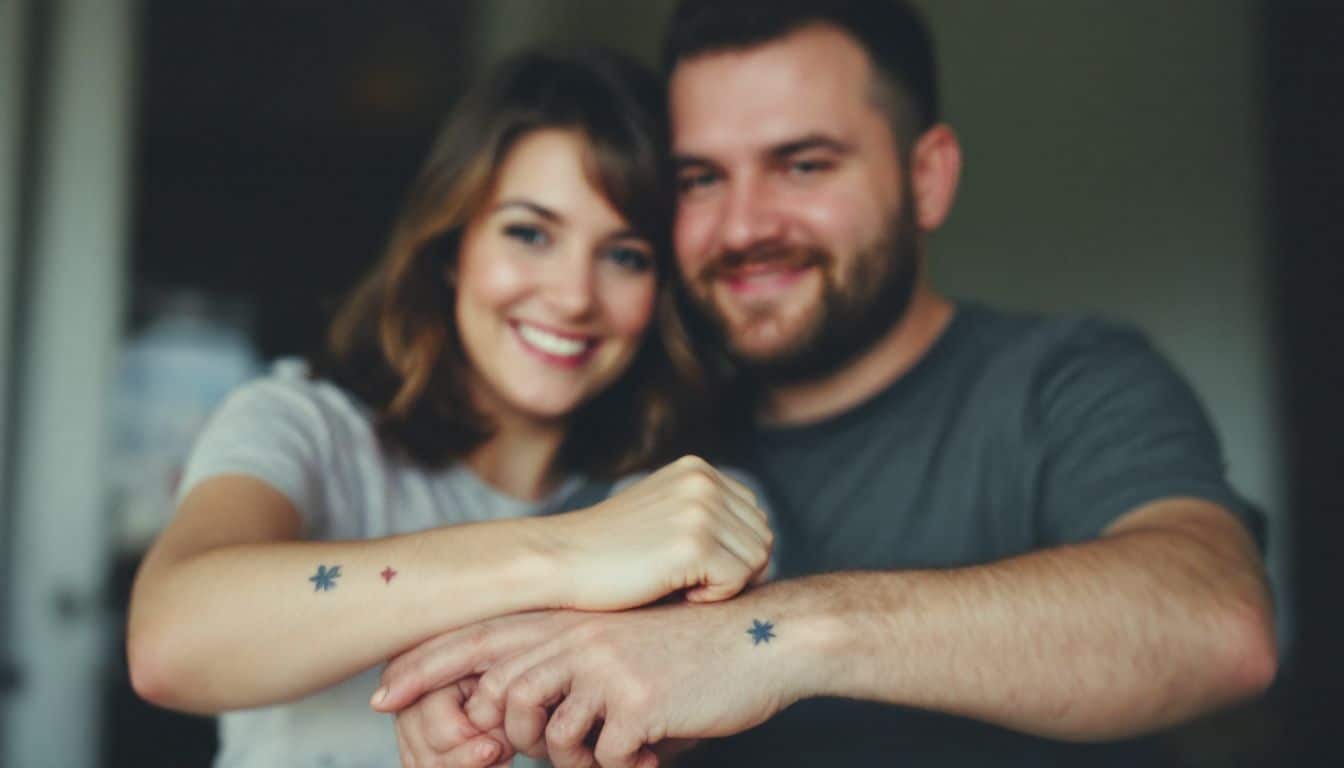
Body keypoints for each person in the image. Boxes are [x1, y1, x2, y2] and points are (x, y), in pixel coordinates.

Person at [372, 1, 1278, 766]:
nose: (744, 226)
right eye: (700, 179)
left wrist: (769, 642)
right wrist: (479, 699)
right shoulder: (635, 412)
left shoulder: (1065, 383)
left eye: (803, 165)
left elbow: (1219, 626)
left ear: (927, 178)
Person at [125, 47, 775, 768]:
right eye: (529, 233)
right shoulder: (301, 426)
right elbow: (168, 644)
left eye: (625, 255)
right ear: (451, 247)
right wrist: (568, 551)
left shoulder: (675, 505)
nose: (572, 296)